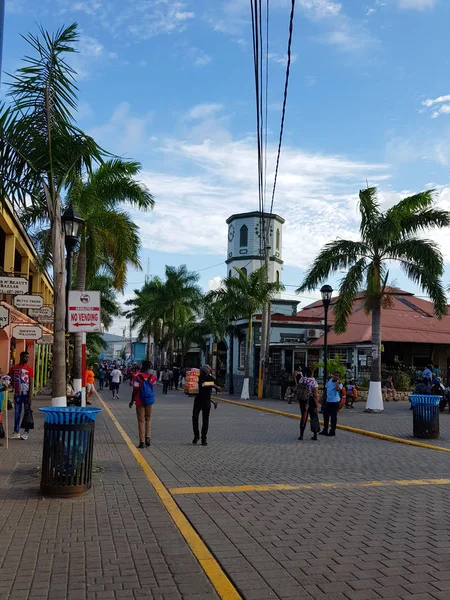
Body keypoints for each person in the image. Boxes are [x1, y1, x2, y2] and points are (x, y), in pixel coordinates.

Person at [129, 360, 157, 448]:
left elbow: (135, 390)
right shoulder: (153, 377)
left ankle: (141, 442)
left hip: (140, 401)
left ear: (142, 367)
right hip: (149, 400)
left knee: (141, 420)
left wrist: (131, 400)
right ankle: (148, 438)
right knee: (148, 419)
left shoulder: (137, 377)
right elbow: (153, 385)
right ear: (149, 368)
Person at [192, 364, 220, 446]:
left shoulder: (210, 378)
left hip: (206, 402)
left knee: (205, 421)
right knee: (195, 418)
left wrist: (215, 386)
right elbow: (202, 384)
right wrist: (214, 386)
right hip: (198, 401)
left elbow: (216, 384)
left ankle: (203, 439)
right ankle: (196, 436)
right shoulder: (199, 378)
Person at [9, 351, 34, 440]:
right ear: (21, 357)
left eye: (28, 357)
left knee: (27, 413)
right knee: (17, 413)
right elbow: (9, 378)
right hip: (17, 394)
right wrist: (9, 383)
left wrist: (30, 395)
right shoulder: (13, 368)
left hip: (26, 394)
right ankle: (16, 431)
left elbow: (31, 383)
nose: (26, 359)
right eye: (25, 357)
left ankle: (26, 432)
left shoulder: (29, 369)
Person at [296, 367, 319, 441]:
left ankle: (301, 435)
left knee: (303, 416)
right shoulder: (314, 382)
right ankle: (315, 434)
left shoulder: (302, 380)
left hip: (303, 400)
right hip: (311, 400)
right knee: (314, 417)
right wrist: (317, 405)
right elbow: (315, 395)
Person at [320, 371, 343, 437]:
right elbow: (326, 389)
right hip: (328, 401)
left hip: (335, 402)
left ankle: (332, 430)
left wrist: (337, 383)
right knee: (326, 416)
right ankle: (325, 429)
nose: (336, 376)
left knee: (333, 417)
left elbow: (337, 389)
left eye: (337, 376)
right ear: (332, 375)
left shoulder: (340, 384)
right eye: (335, 375)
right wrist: (322, 397)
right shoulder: (329, 381)